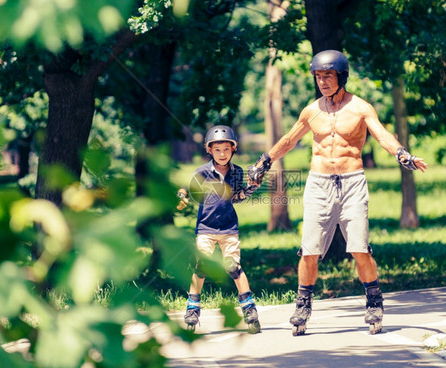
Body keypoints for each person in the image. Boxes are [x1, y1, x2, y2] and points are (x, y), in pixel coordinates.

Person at [248, 50, 427, 335]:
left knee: (359, 248)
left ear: (341, 77)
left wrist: (402, 155)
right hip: (318, 183)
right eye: (318, 77)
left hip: (352, 182)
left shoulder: (360, 108)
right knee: (309, 251)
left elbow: (382, 135)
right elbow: (289, 139)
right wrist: (265, 161)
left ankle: (374, 301)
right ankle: (303, 306)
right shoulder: (311, 110)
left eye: (328, 76)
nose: (322, 82)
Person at [177, 125, 261, 334]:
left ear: (233, 149)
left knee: (233, 267)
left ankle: (249, 309)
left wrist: (250, 188)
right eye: (217, 150)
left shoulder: (237, 172)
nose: (222, 154)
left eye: (226, 149)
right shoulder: (202, 172)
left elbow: (235, 198)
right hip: (205, 227)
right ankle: (193, 309)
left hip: (229, 228)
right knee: (201, 267)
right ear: (209, 150)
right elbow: (188, 191)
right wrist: (182, 196)